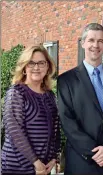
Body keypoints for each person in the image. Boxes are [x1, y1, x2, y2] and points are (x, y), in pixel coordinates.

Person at [57, 23, 103, 174]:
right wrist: (94, 152)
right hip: (81, 161)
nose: (95, 45)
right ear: (83, 43)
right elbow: (67, 121)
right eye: (91, 40)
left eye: (100, 41)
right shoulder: (66, 80)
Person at [1, 45, 61, 175]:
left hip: (43, 167)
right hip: (17, 167)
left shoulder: (50, 95)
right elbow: (15, 131)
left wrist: (54, 157)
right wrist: (36, 163)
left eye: (41, 63)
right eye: (31, 63)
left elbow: (56, 130)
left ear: (48, 67)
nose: (36, 67)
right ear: (24, 68)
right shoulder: (16, 93)